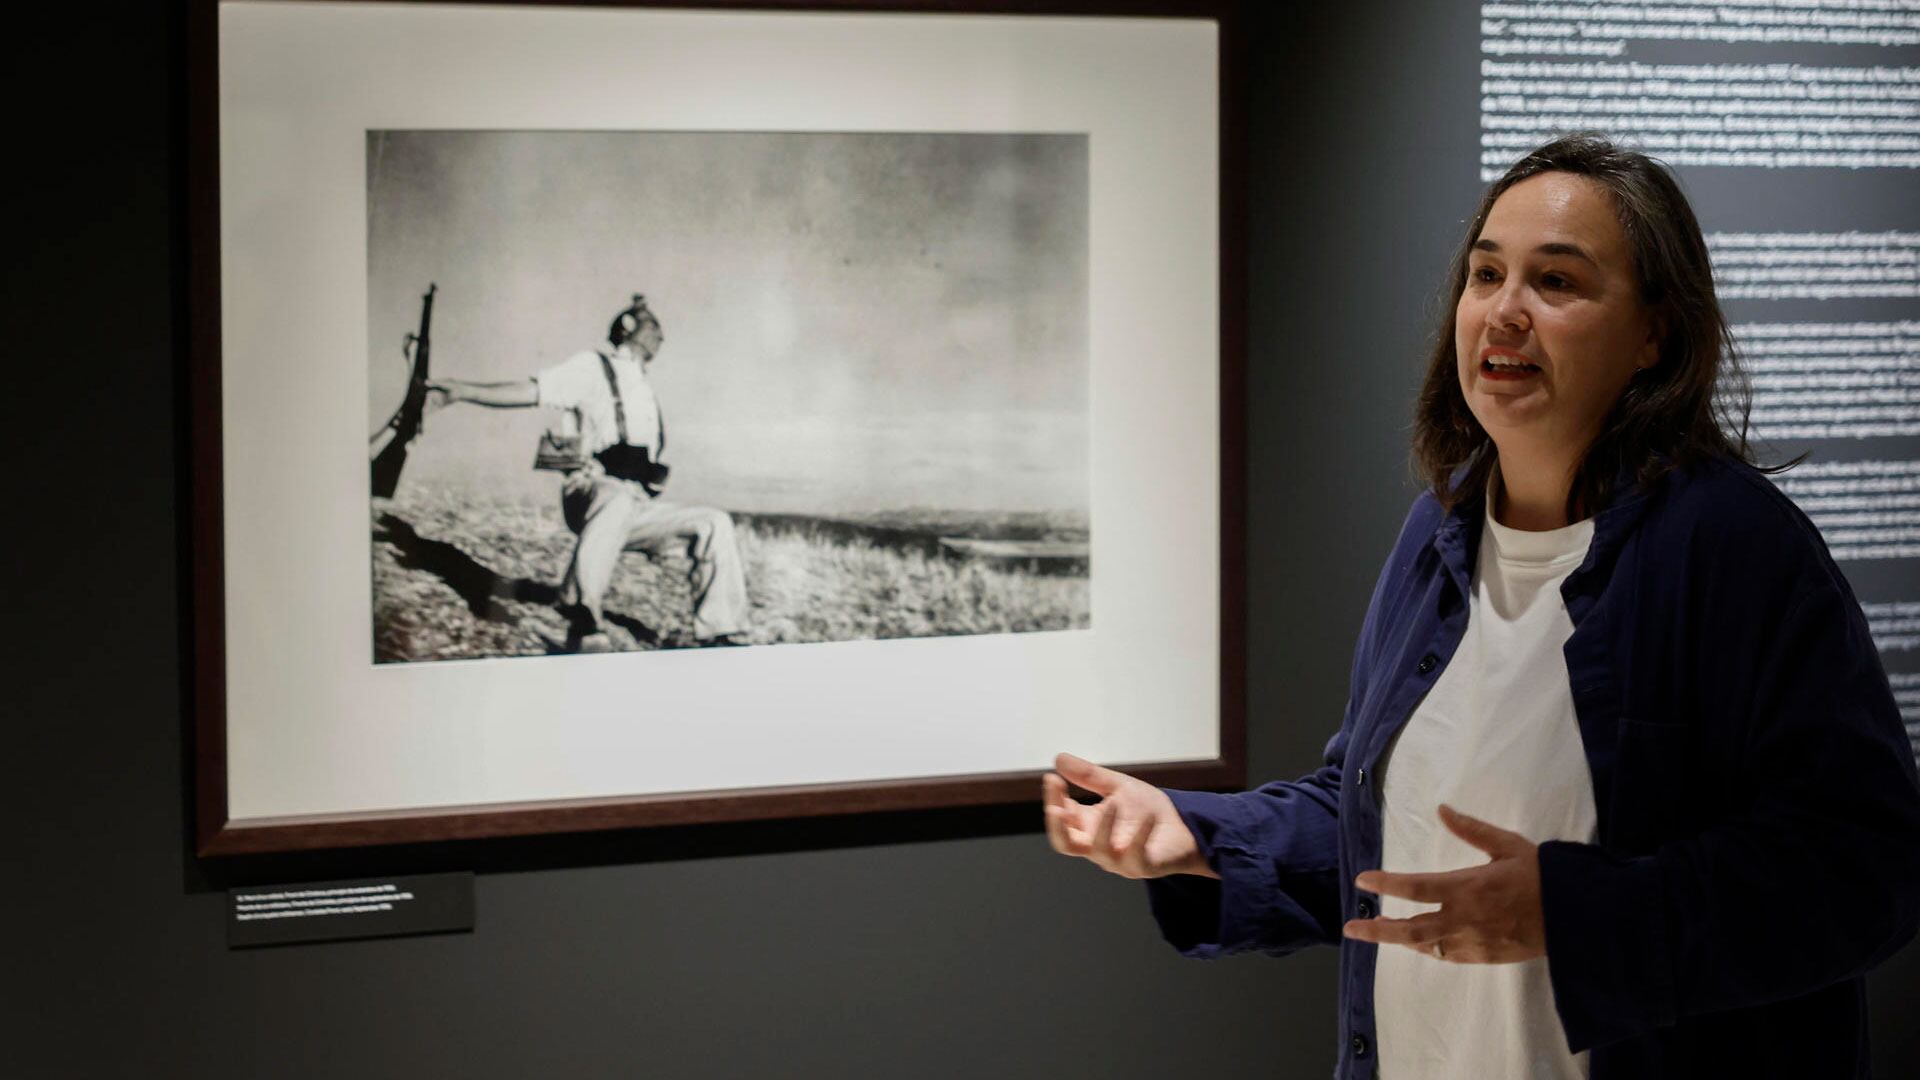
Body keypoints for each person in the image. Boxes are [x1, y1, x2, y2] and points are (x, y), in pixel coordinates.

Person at [1042, 133, 1920, 1078]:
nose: (1504, 312)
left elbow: (1863, 870)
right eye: (1486, 274)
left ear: (1655, 334)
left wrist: (1580, 913)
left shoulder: (1735, 549)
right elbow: (1372, 821)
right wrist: (1199, 833)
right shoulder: (1442, 528)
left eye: (1558, 282)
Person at [428, 295, 750, 652]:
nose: (662, 336)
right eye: (654, 327)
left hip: (634, 504)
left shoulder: (644, 389)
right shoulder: (592, 366)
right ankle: (581, 611)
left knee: (714, 523)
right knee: (615, 498)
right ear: (628, 327)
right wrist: (462, 391)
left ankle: (722, 633)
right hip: (593, 492)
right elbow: (531, 391)